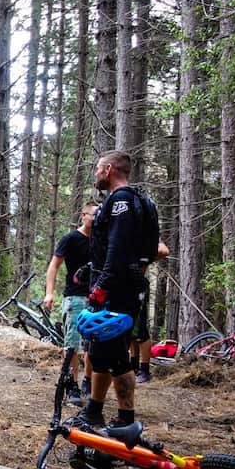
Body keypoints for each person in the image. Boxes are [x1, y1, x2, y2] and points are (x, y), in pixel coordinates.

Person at [78, 150, 161, 429]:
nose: (96, 173)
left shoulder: (122, 201)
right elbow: (146, 249)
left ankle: (126, 421)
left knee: (115, 356)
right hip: (117, 284)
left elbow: (118, 248)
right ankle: (93, 410)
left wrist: (102, 286)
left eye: (98, 168)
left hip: (116, 290)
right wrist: (91, 270)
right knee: (101, 352)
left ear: (109, 169)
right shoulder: (136, 201)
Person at [42, 202, 98, 406]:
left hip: (96, 298)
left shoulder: (102, 239)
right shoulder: (71, 239)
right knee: (72, 343)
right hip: (75, 297)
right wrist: (49, 293)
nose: (96, 218)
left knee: (93, 344)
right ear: (84, 215)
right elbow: (54, 265)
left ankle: (88, 382)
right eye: (93, 215)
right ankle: (71, 384)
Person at [130, 240, 171, 383]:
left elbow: (163, 250)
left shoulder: (144, 233)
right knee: (130, 328)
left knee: (140, 331)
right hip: (124, 285)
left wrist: (145, 260)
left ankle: (145, 370)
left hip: (138, 285)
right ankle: (133, 366)